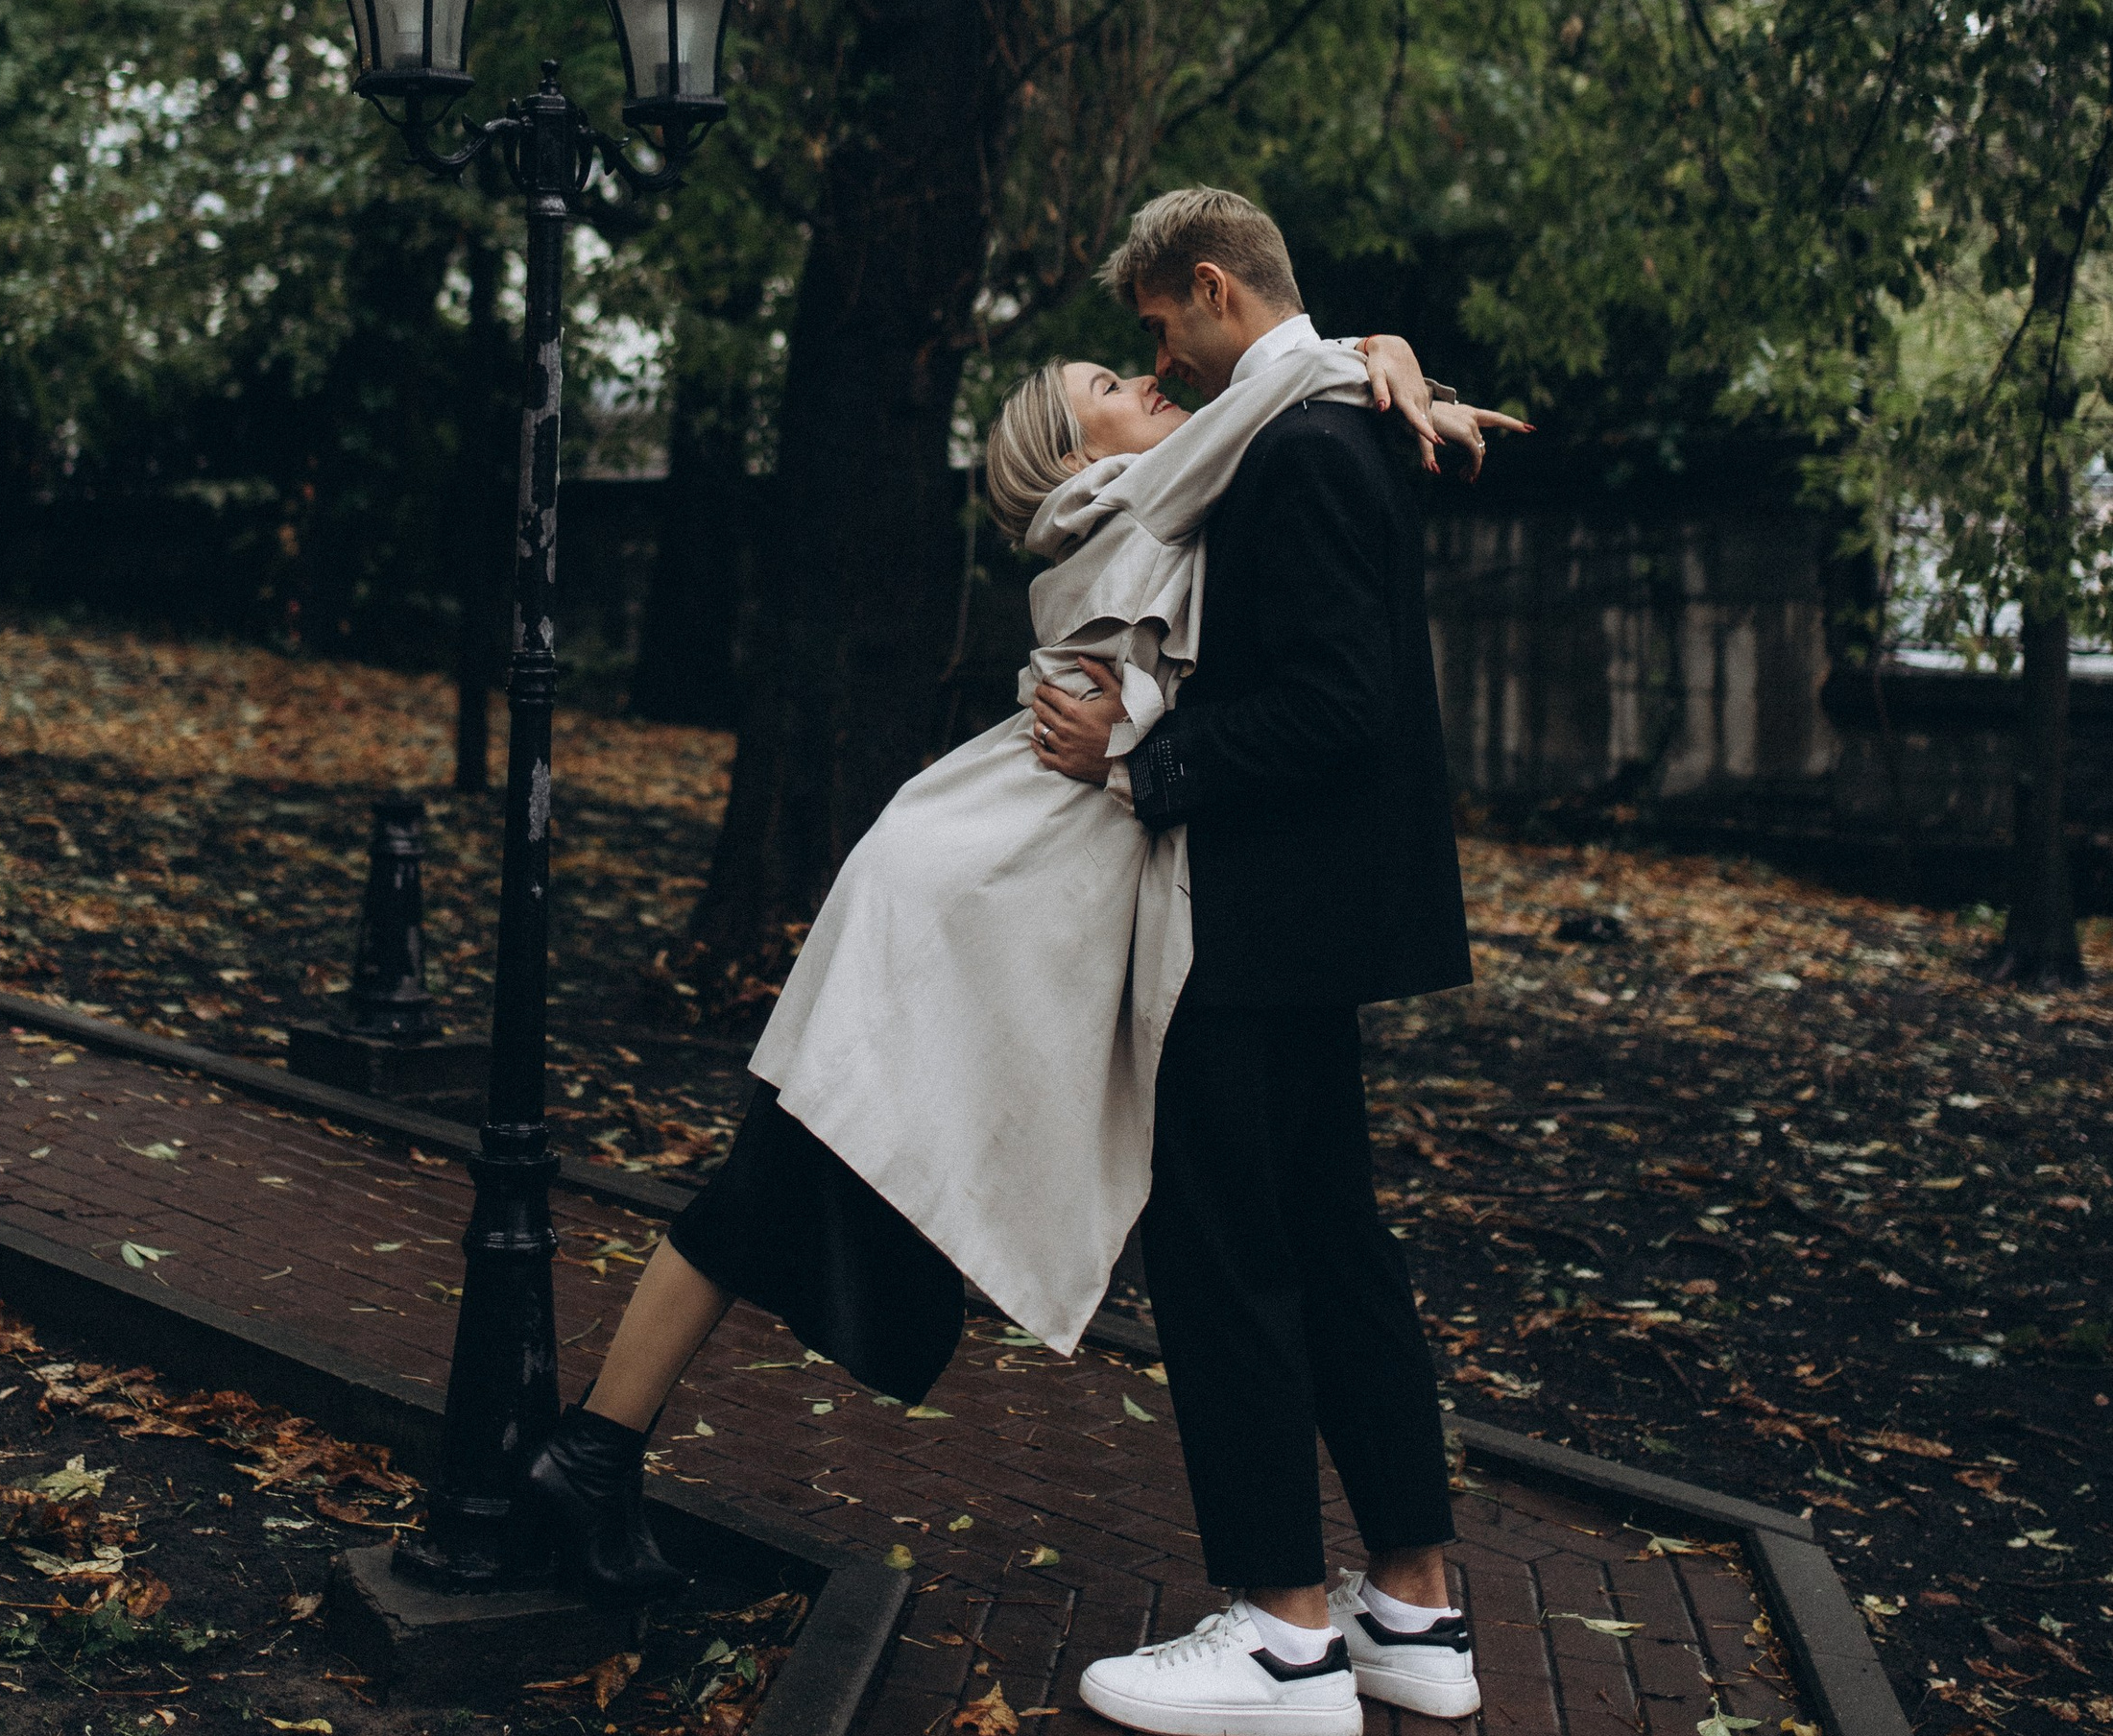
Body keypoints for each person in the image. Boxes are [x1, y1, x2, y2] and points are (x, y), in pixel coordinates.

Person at [524, 310, 1505, 1606]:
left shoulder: (1140, 502)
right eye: (1110, 382)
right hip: (974, 895)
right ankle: (589, 1459)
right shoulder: (1132, 509)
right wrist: (1367, 362)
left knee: (773, 1177)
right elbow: (1266, 402)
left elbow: (1273, 398)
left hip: (989, 892)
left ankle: (592, 1456)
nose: (1151, 381)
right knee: (769, 1177)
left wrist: (1382, 354)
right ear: (1066, 455)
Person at [1030, 187, 1508, 1736]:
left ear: (1214, 289)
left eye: (1159, 326)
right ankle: (1416, 1612)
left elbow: (1332, 705)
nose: (1154, 359)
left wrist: (1139, 750)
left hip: (1256, 924)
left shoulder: (1297, 448)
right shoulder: (1336, 414)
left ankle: (1286, 1633)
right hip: (1318, 925)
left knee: (1225, 1259)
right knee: (1337, 1245)